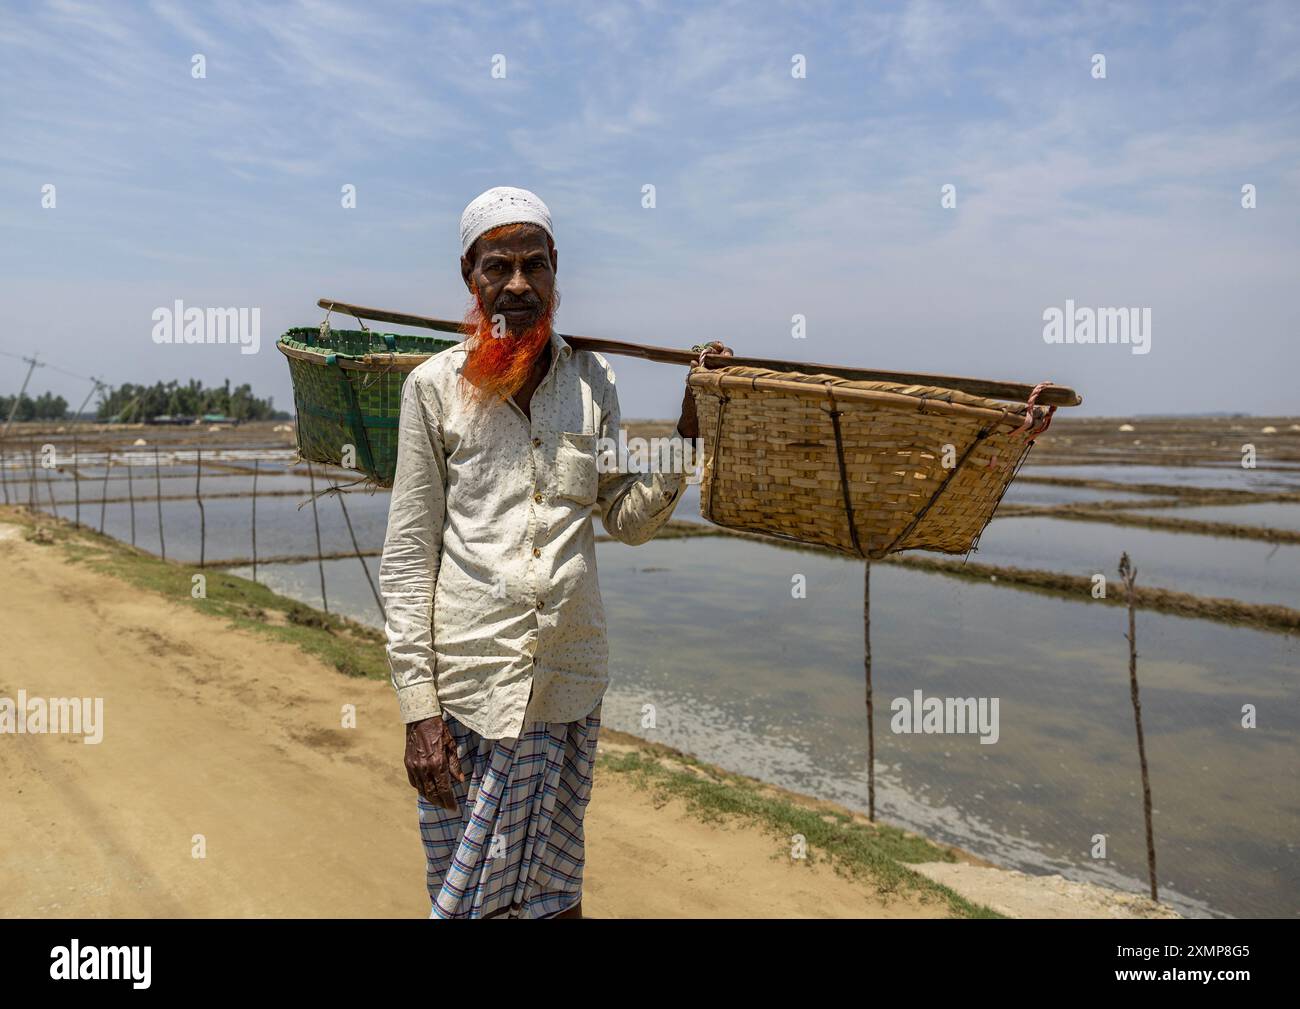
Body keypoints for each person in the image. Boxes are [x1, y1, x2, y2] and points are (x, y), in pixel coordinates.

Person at [379, 186, 730, 918]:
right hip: (472, 699)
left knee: (554, 898)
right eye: (497, 266)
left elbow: (627, 516)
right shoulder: (432, 390)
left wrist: (690, 428)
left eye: (532, 265)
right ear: (469, 278)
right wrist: (419, 712)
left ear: (555, 271)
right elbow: (410, 557)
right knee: (466, 901)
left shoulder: (591, 382)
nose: (516, 284)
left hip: (568, 688)